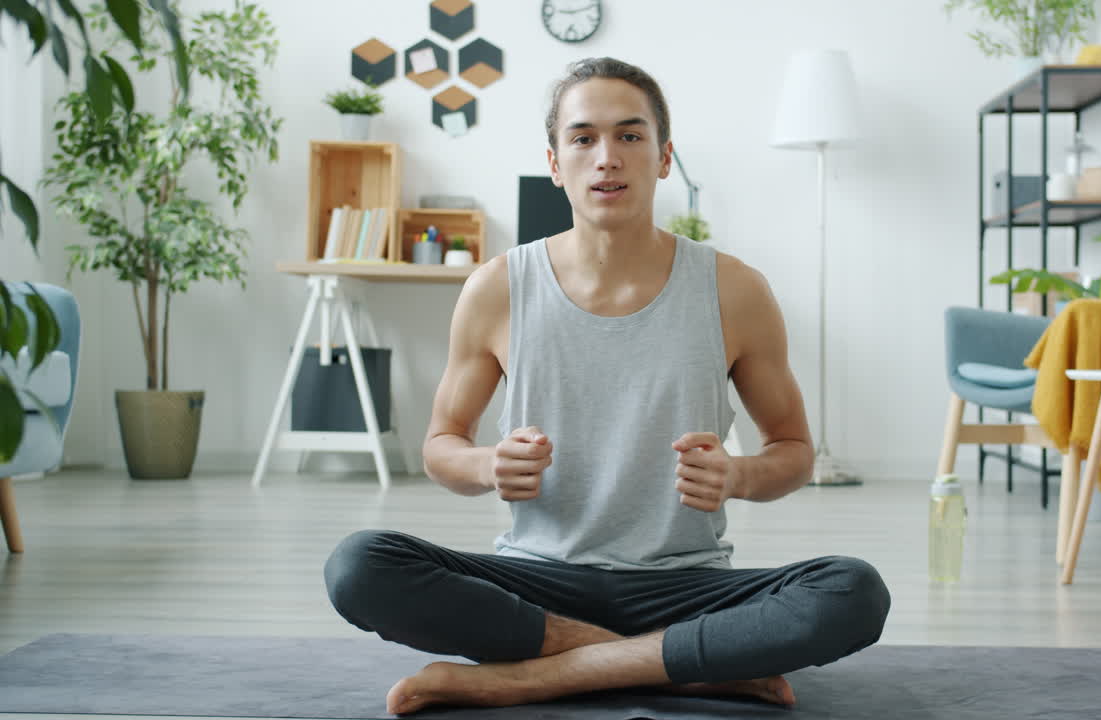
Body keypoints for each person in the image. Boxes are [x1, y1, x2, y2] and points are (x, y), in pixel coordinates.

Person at [324, 57, 891, 715]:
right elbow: (440, 448)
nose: (607, 158)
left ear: (663, 157)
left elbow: (793, 450)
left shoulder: (735, 290)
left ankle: (529, 677)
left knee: (853, 591)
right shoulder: (498, 288)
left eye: (630, 136)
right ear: (556, 162)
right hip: (536, 582)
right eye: (584, 138)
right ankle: (682, 666)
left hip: (685, 583)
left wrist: (736, 476)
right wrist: (488, 464)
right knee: (358, 565)